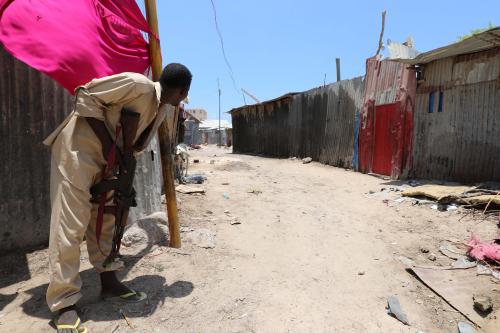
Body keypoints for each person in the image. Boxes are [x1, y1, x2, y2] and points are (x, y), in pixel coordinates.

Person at [43, 63, 192, 333]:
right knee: (70, 225)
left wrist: (124, 172)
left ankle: (109, 281)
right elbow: (85, 95)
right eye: (183, 97)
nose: (182, 102)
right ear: (183, 90)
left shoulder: (161, 109)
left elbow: (134, 145)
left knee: (109, 222)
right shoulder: (138, 85)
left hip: (110, 164)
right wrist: (112, 148)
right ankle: (64, 302)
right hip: (78, 152)